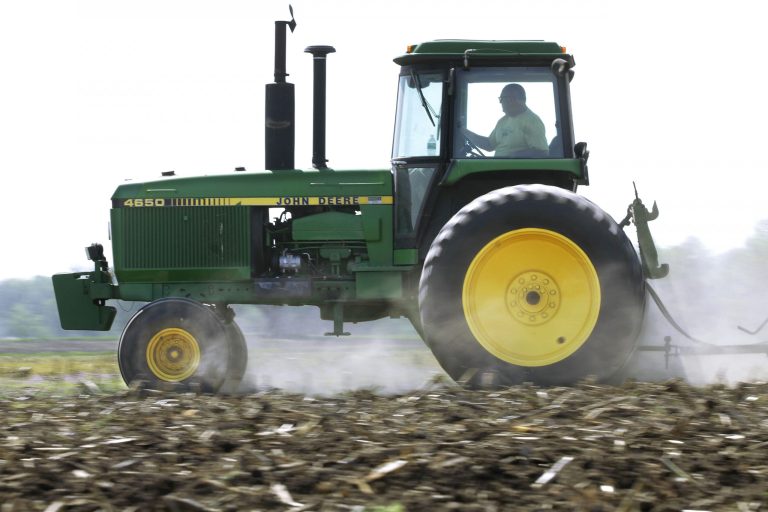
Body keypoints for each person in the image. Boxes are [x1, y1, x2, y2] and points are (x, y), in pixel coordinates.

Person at [464, 83, 549, 157]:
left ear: (512, 99)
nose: (500, 102)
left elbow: (542, 153)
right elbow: (489, 145)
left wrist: (513, 156)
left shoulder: (532, 121)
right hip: (497, 169)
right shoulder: (503, 121)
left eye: (501, 99)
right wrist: (464, 132)